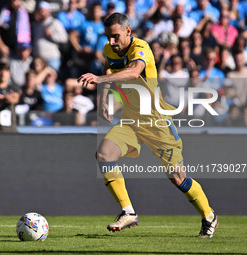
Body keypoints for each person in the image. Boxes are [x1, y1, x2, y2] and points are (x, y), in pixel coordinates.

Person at [77, 13, 218, 237]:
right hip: (131, 120)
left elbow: (133, 71)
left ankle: (209, 215)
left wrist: (99, 80)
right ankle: (128, 211)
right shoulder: (108, 49)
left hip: (157, 122)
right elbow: (108, 70)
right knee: (104, 154)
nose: (111, 42)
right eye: (108, 37)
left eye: (115, 37)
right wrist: (103, 100)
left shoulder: (141, 48)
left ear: (128, 32)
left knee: (177, 177)